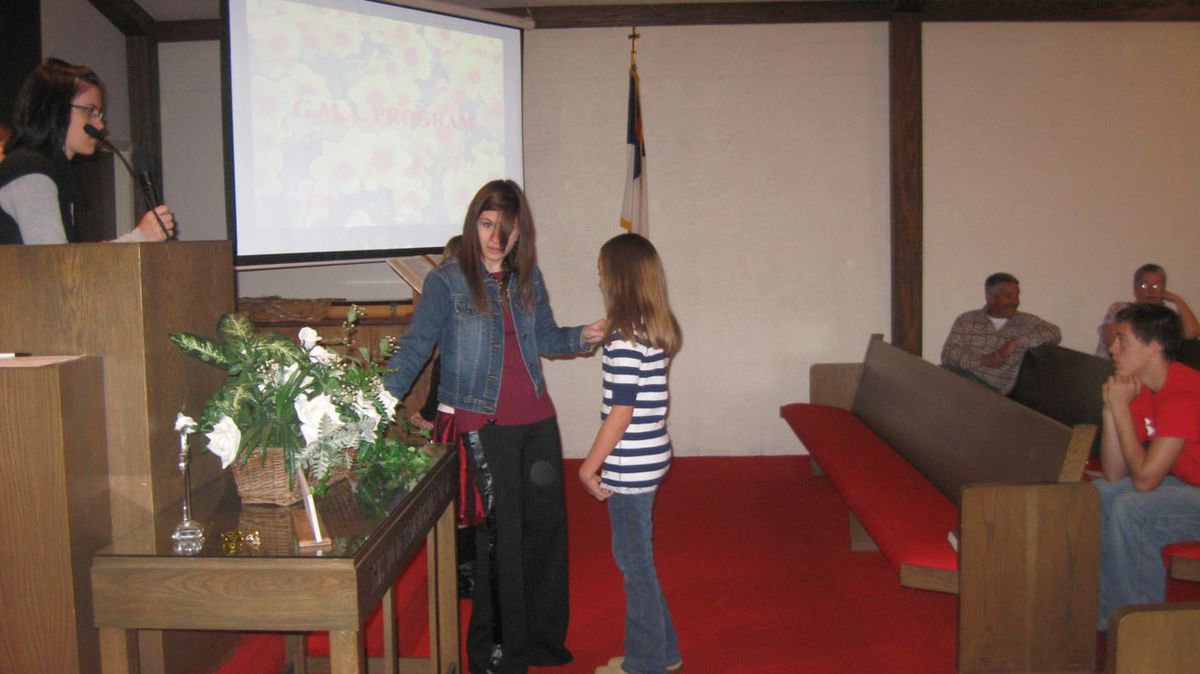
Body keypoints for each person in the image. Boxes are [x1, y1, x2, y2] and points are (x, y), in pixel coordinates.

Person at [383, 179, 604, 674]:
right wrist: (373, 402)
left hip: (538, 422)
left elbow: (545, 336)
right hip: (483, 424)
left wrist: (584, 335)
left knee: (544, 535)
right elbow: (416, 347)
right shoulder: (447, 281)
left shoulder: (527, 275)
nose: (495, 237)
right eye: (487, 224)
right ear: (472, 223)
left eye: (506, 227)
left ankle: (542, 643)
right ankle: (498, 656)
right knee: (500, 542)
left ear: (520, 231)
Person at [580, 233, 684, 674]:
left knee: (634, 562)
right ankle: (665, 651)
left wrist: (589, 466)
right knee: (638, 556)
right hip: (652, 454)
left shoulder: (624, 338)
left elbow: (620, 413)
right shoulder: (649, 328)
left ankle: (645, 662)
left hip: (629, 463)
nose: (597, 275)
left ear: (617, 277)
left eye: (602, 268)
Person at [1093, 303, 1200, 630]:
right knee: (1101, 492)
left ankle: (1141, 633)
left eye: (1122, 340)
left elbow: (1144, 482)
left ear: (1154, 346)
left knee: (1133, 509)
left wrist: (1121, 410)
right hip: (1189, 486)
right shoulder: (1141, 385)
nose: (1112, 348)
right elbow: (1113, 473)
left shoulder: (1184, 392)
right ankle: (1108, 613)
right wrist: (1113, 408)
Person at [0, 58, 174, 244]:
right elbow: (54, 262)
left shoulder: (54, 169)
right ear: (55, 109)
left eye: (99, 114)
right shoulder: (31, 169)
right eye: (89, 111)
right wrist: (139, 237)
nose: (100, 125)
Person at [940, 272, 1061, 395]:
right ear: (990, 297)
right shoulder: (967, 319)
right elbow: (948, 354)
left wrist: (1015, 342)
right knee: (930, 376)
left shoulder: (1026, 322)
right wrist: (984, 360)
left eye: (1017, 295)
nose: (1015, 301)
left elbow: (1054, 332)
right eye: (1008, 296)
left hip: (990, 389)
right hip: (958, 378)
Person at [1095, 263, 1200, 358]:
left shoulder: (1165, 317)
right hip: (1110, 369)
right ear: (1135, 289)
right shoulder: (1120, 309)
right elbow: (1114, 347)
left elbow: (1192, 333)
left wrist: (1178, 300)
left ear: (1163, 289)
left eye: (1155, 285)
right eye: (1144, 285)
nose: (1150, 290)